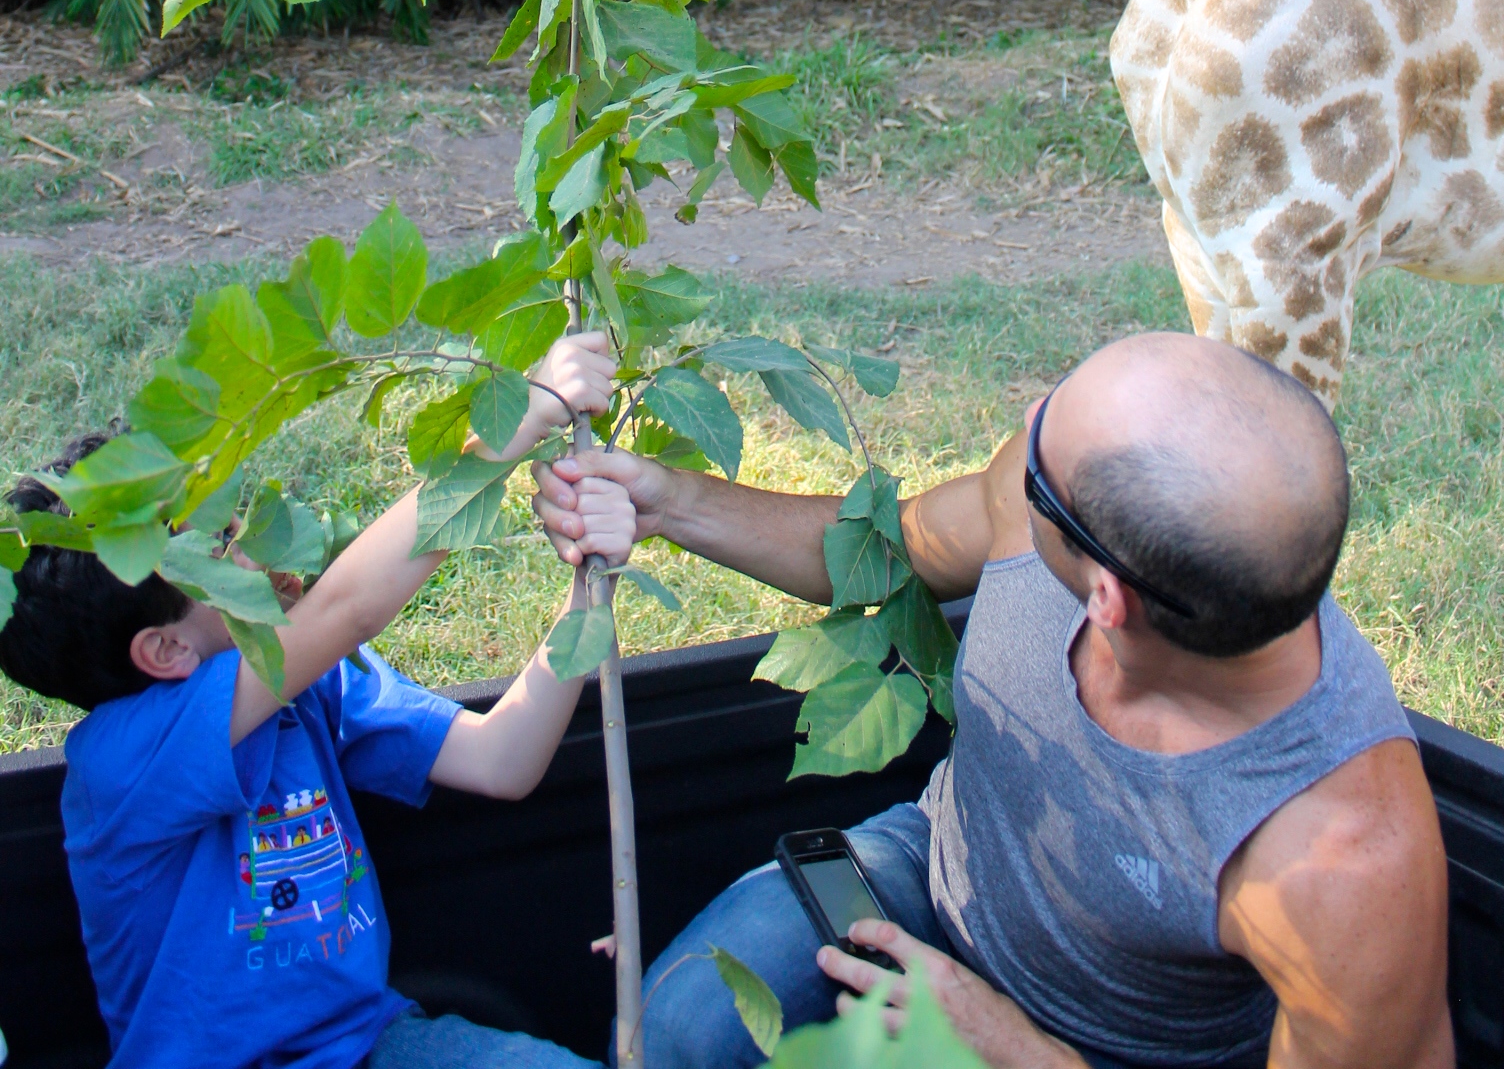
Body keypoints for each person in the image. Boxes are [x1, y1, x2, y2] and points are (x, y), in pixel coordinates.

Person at [535, 331, 1454, 1069]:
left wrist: (1012, 1047)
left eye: (1046, 452)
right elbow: (889, 550)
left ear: (1107, 601)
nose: (1025, 428)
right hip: (933, 875)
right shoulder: (1059, 494)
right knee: (686, 1026)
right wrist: (671, 502)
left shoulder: (1344, 863)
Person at [0, 330, 635, 1069]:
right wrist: (512, 420)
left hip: (366, 1045)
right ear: (166, 650)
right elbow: (347, 608)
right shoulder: (125, 757)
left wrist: (590, 590)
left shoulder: (311, 689)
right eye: (221, 543)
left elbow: (501, 760)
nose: (252, 542)